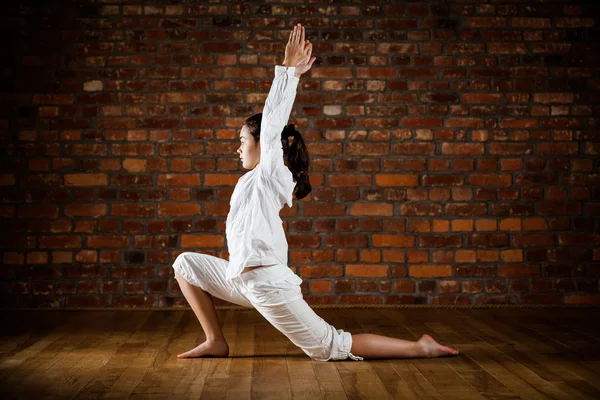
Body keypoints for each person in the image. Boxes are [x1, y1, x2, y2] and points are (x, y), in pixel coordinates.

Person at [172, 23, 460, 361]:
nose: (237, 148)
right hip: (240, 278)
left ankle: (419, 347)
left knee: (331, 347)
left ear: (263, 145)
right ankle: (215, 341)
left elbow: (274, 120)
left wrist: (288, 72)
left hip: (267, 285)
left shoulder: (271, 173)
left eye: (242, 141)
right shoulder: (250, 180)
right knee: (186, 264)